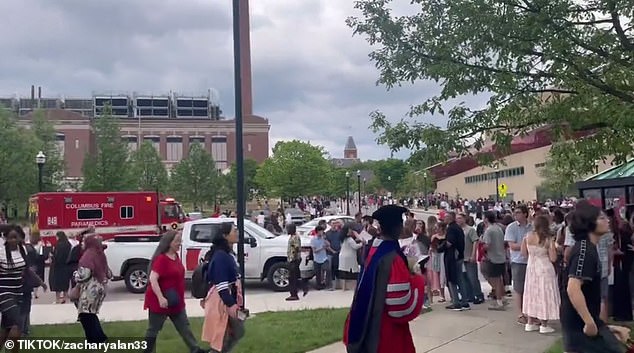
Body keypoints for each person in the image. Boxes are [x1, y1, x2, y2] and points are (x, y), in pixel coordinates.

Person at [343, 205, 425, 353]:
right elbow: (399, 307)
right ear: (398, 228)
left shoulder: (371, 249)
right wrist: (417, 279)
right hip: (385, 332)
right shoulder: (392, 257)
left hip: (364, 321)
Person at [560, 201, 630, 352]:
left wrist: (605, 327)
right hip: (579, 328)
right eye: (601, 218)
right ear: (589, 224)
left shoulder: (589, 248)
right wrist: (589, 322)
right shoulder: (584, 251)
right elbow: (573, 288)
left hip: (585, 323)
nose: (607, 220)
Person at [143, 231, 207, 353]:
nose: (180, 243)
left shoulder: (175, 257)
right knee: (153, 329)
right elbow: (153, 279)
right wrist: (161, 298)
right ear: (169, 243)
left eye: (180, 240)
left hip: (176, 300)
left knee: (184, 327)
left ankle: (195, 349)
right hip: (160, 301)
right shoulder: (162, 259)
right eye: (177, 241)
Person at [201, 222, 245, 353]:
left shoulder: (228, 254)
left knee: (234, 331)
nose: (237, 232)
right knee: (225, 333)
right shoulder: (220, 256)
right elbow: (221, 284)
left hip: (229, 298)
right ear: (225, 236)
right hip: (221, 301)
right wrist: (231, 305)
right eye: (234, 231)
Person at [520, 215, 560, 334]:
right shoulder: (548, 239)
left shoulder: (527, 237)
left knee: (532, 293)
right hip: (544, 267)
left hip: (531, 267)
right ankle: (544, 324)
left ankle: (530, 322)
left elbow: (523, 253)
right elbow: (553, 258)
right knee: (544, 294)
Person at [0, 225, 32, 350]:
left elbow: (27, 270)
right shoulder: (2, 251)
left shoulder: (22, 249)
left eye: (16, 237)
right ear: (6, 238)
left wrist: (41, 282)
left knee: (6, 328)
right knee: (17, 323)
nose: (13, 240)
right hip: (3, 293)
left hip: (18, 293)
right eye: (10, 237)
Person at [74, 236, 110, 343]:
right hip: (100, 288)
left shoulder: (88, 255)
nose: (82, 244)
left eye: (84, 242)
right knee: (91, 314)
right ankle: (101, 338)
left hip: (90, 289)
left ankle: (93, 340)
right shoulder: (100, 254)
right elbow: (109, 273)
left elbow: (84, 275)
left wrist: (75, 275)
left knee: (85, 315)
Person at [338, 224, 365, 291]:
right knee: (352, 271)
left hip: (342, 256)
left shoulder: (342, 238)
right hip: (349, 257)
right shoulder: (349, 239)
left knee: (343, 272)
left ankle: (343, 288)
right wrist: (362, 243)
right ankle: (354, 287)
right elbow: (355, 246)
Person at [49, 231, 73, 304]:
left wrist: (51, 256)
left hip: (58, 267)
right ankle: (65, 298)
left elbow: (56, 256)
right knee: (65, 283)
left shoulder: (58, 245)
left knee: (57, 284)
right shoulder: (68, 244)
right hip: (66, 266)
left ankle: (57, 299)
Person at [286, 224, 308, 300]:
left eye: (288, 228)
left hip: (294, 260)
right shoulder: (293, 236)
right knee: (295, 277)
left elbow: (297, 248)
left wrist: (293, 260)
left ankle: (294, 295)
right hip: (293, 260)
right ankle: (304, 288)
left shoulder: (295, 237)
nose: (287, 230)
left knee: (292, 278)